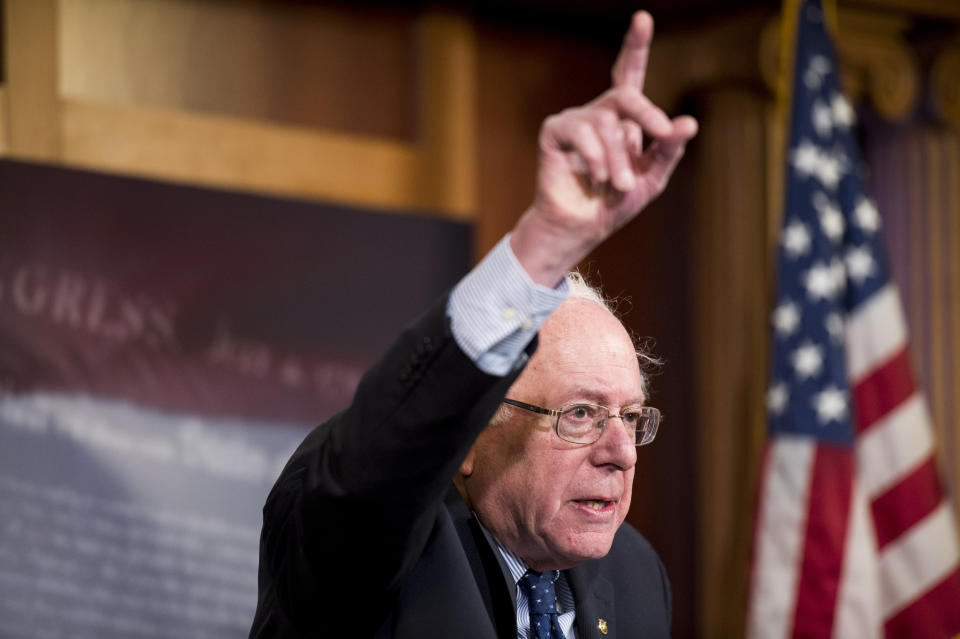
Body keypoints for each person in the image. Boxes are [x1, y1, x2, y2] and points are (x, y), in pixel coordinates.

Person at [249, 11, 697, 639]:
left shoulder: (635, 576)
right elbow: (382, 460)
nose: (620, 454)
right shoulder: (380, 552)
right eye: (580, 415)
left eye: (629, 416)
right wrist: (542, 248)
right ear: (470, 433)